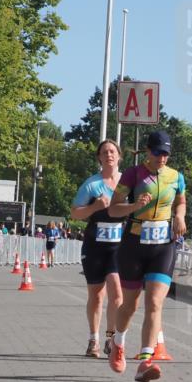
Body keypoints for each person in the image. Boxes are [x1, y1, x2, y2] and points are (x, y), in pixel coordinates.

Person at [107, 130, 186, 382]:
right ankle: (118, 342)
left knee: (154, 303)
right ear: (148, 151)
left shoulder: (176, 176)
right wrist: (134, 206)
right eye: (158, 153)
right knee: (130, 305)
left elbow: (181, 201)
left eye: (166, 154)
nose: (162, 158)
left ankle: (145, 362)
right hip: (134, 244)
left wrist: (180, 216)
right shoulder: (133, 174)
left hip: (163, 246)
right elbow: (113, 209)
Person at [70, 139, 123, 358]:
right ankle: (94, 339)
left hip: (118, 247)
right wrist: (94, 207)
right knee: (97, 295)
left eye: (112, 151)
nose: (109, 155)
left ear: (119, 156)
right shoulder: (92, 184)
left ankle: (110, 337)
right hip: (94, 247)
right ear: (99, 158)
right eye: (104, 152)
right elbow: (75, 213)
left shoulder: (127, 184)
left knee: (117, 293)